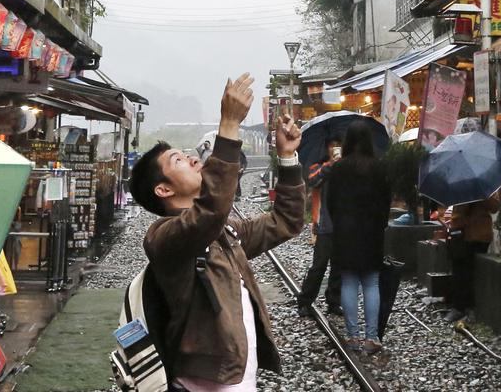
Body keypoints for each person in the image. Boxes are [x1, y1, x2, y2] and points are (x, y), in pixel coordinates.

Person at [129, 73, 304, 391]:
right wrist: (228, 125)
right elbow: (210, 211)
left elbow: (286, 220)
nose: (194, 159)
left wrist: (288, 157)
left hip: (235, 378)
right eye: (179, 160)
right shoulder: (164, 238)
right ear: (164, 189)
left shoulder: (225, 234)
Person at [327, 121, 391, 355]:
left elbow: (330, 203)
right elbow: (386, 202)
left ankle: (353, 337)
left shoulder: (339, 168)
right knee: (371, 283)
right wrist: (380, 225)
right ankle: (372, 337)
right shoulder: (379, 168)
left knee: (350, 283)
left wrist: (340, 224)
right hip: (372, 233)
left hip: (345, 233)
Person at [297, 137, 343, 318]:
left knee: (339, 267)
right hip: (325, 224)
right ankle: (305, 301)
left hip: (343, 225)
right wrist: (330, 164)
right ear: (326, 147)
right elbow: (313, 181)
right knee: (319, 266)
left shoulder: (346, 166)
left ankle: (334, 301)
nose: (335, 148)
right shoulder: (318, 165)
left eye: (338, 144)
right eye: (332, 145)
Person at [444, 195, 499, 323]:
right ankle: (459, 307)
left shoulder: (484, 190)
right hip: (461, 234)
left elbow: (495, 207)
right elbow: (455, 212)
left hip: (478, 236)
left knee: (472, 272)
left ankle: (469, 307)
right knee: (459, 271)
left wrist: (481, 196)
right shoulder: (459, 190)